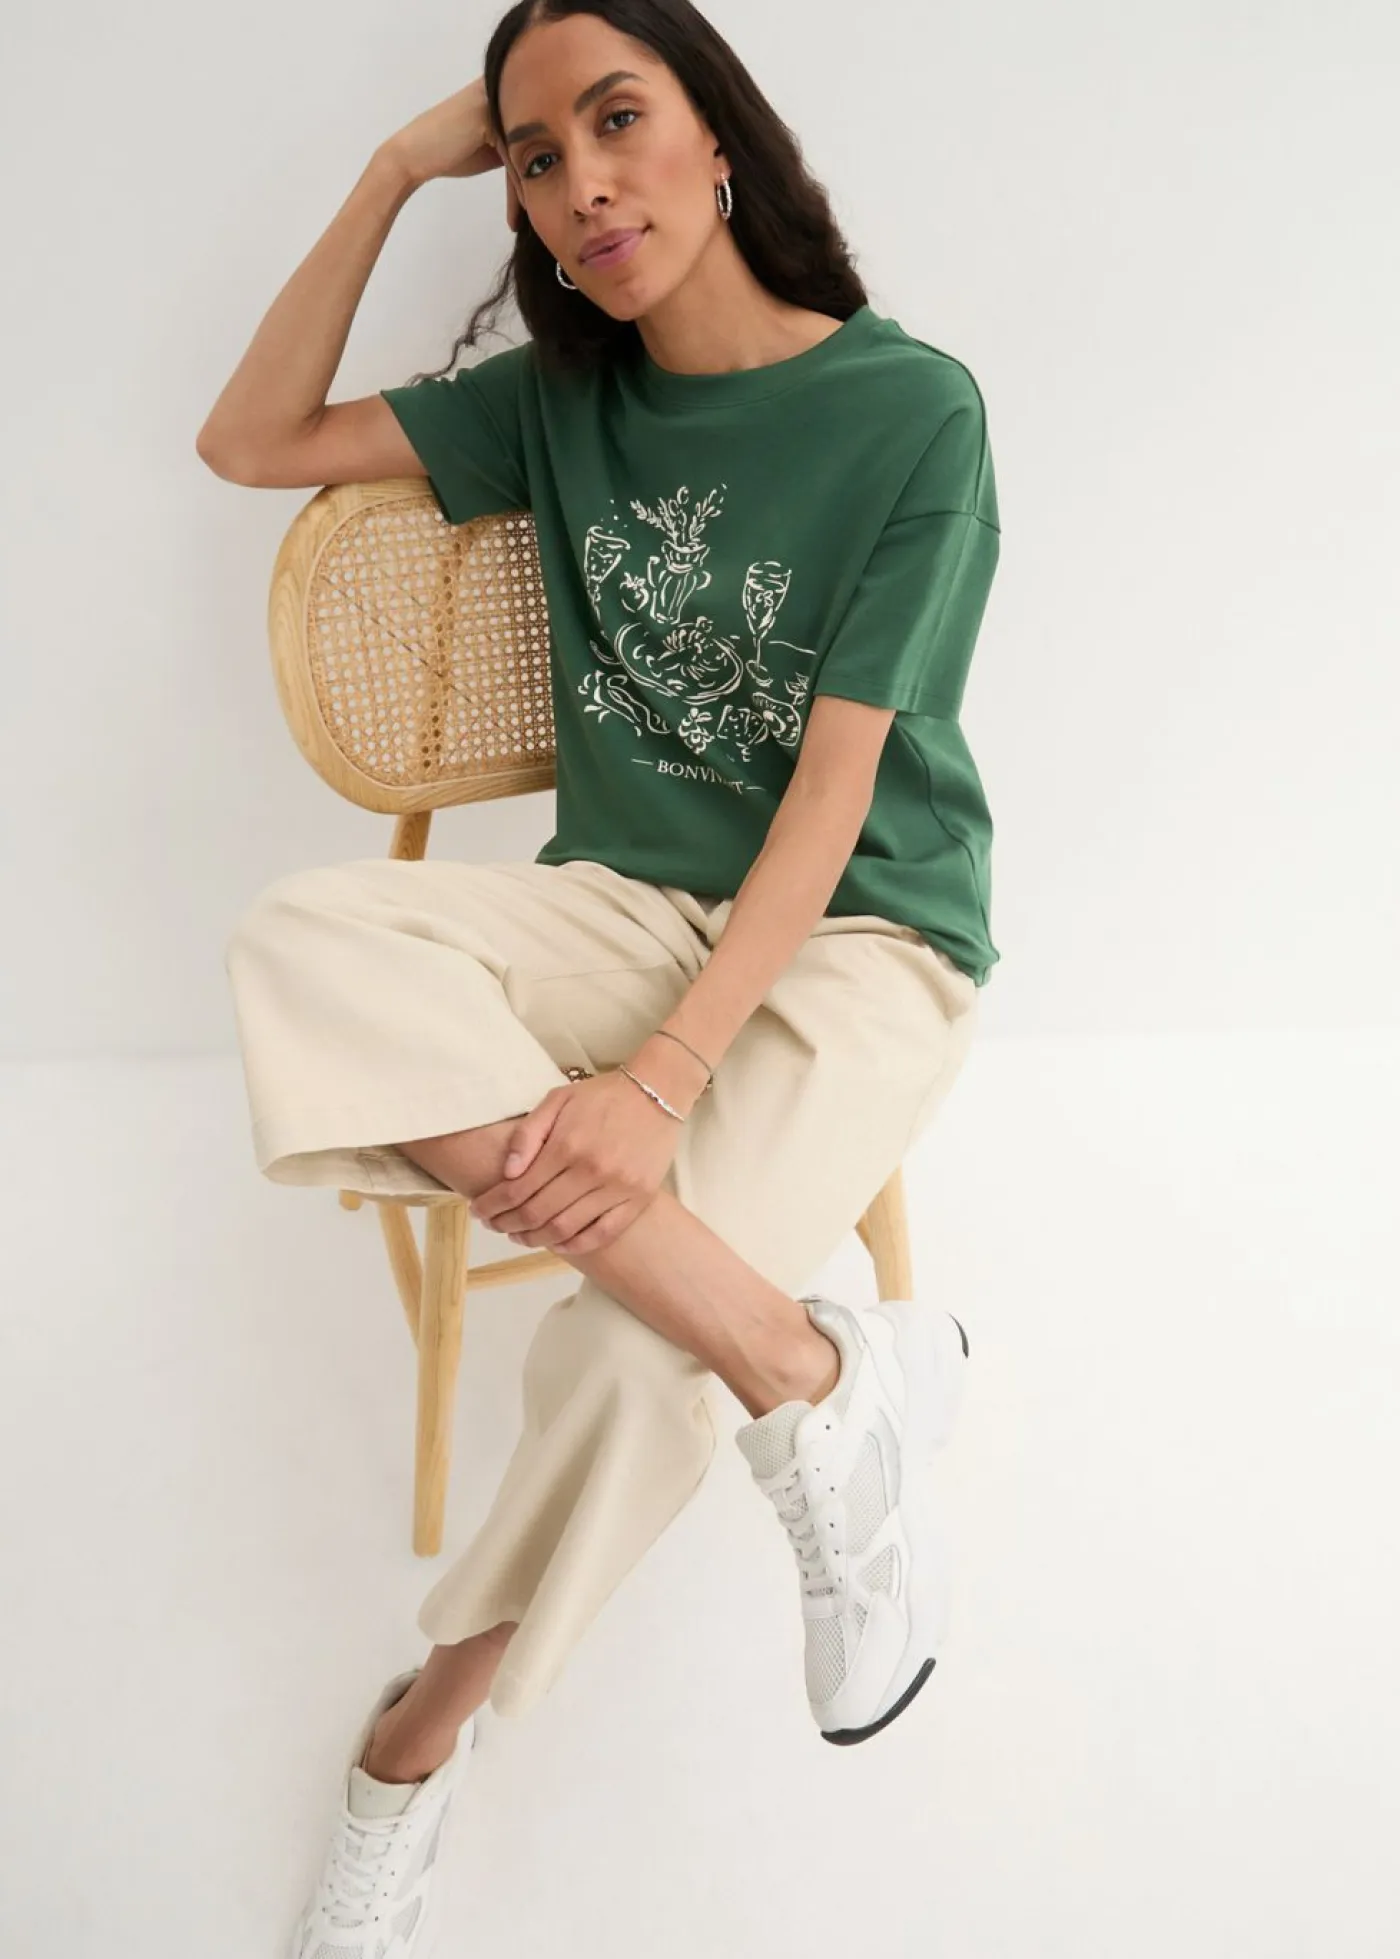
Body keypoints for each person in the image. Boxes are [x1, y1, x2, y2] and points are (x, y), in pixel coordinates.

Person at [198, 2, 1002, 1953]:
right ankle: (815, 1372)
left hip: (861, 937)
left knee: (628, 1355)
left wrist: (656, 1087)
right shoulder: (557, 401)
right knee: (300, 933)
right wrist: (398, 167)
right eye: (536, 157)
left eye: (617, 120)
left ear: (720, 135)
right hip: (625, 903)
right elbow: (248, 441)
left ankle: (415, 1738)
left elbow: (832, 802)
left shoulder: (910, 410)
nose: (580, 184)